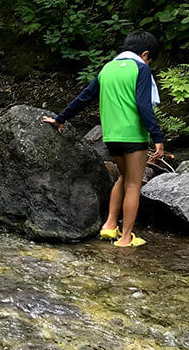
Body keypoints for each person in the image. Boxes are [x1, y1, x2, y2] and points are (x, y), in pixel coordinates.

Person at [42, 31, 164, 248]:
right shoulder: (141, 69)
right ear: (145, 54)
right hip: (133, 135)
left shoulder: (107, 69)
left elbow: (84, 97)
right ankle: (126, 238)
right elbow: (144, 106)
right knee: (134, 185)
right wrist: (157, 137)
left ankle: (109, 226)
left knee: (123, 179)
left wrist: (60, 119)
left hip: (111, 136)